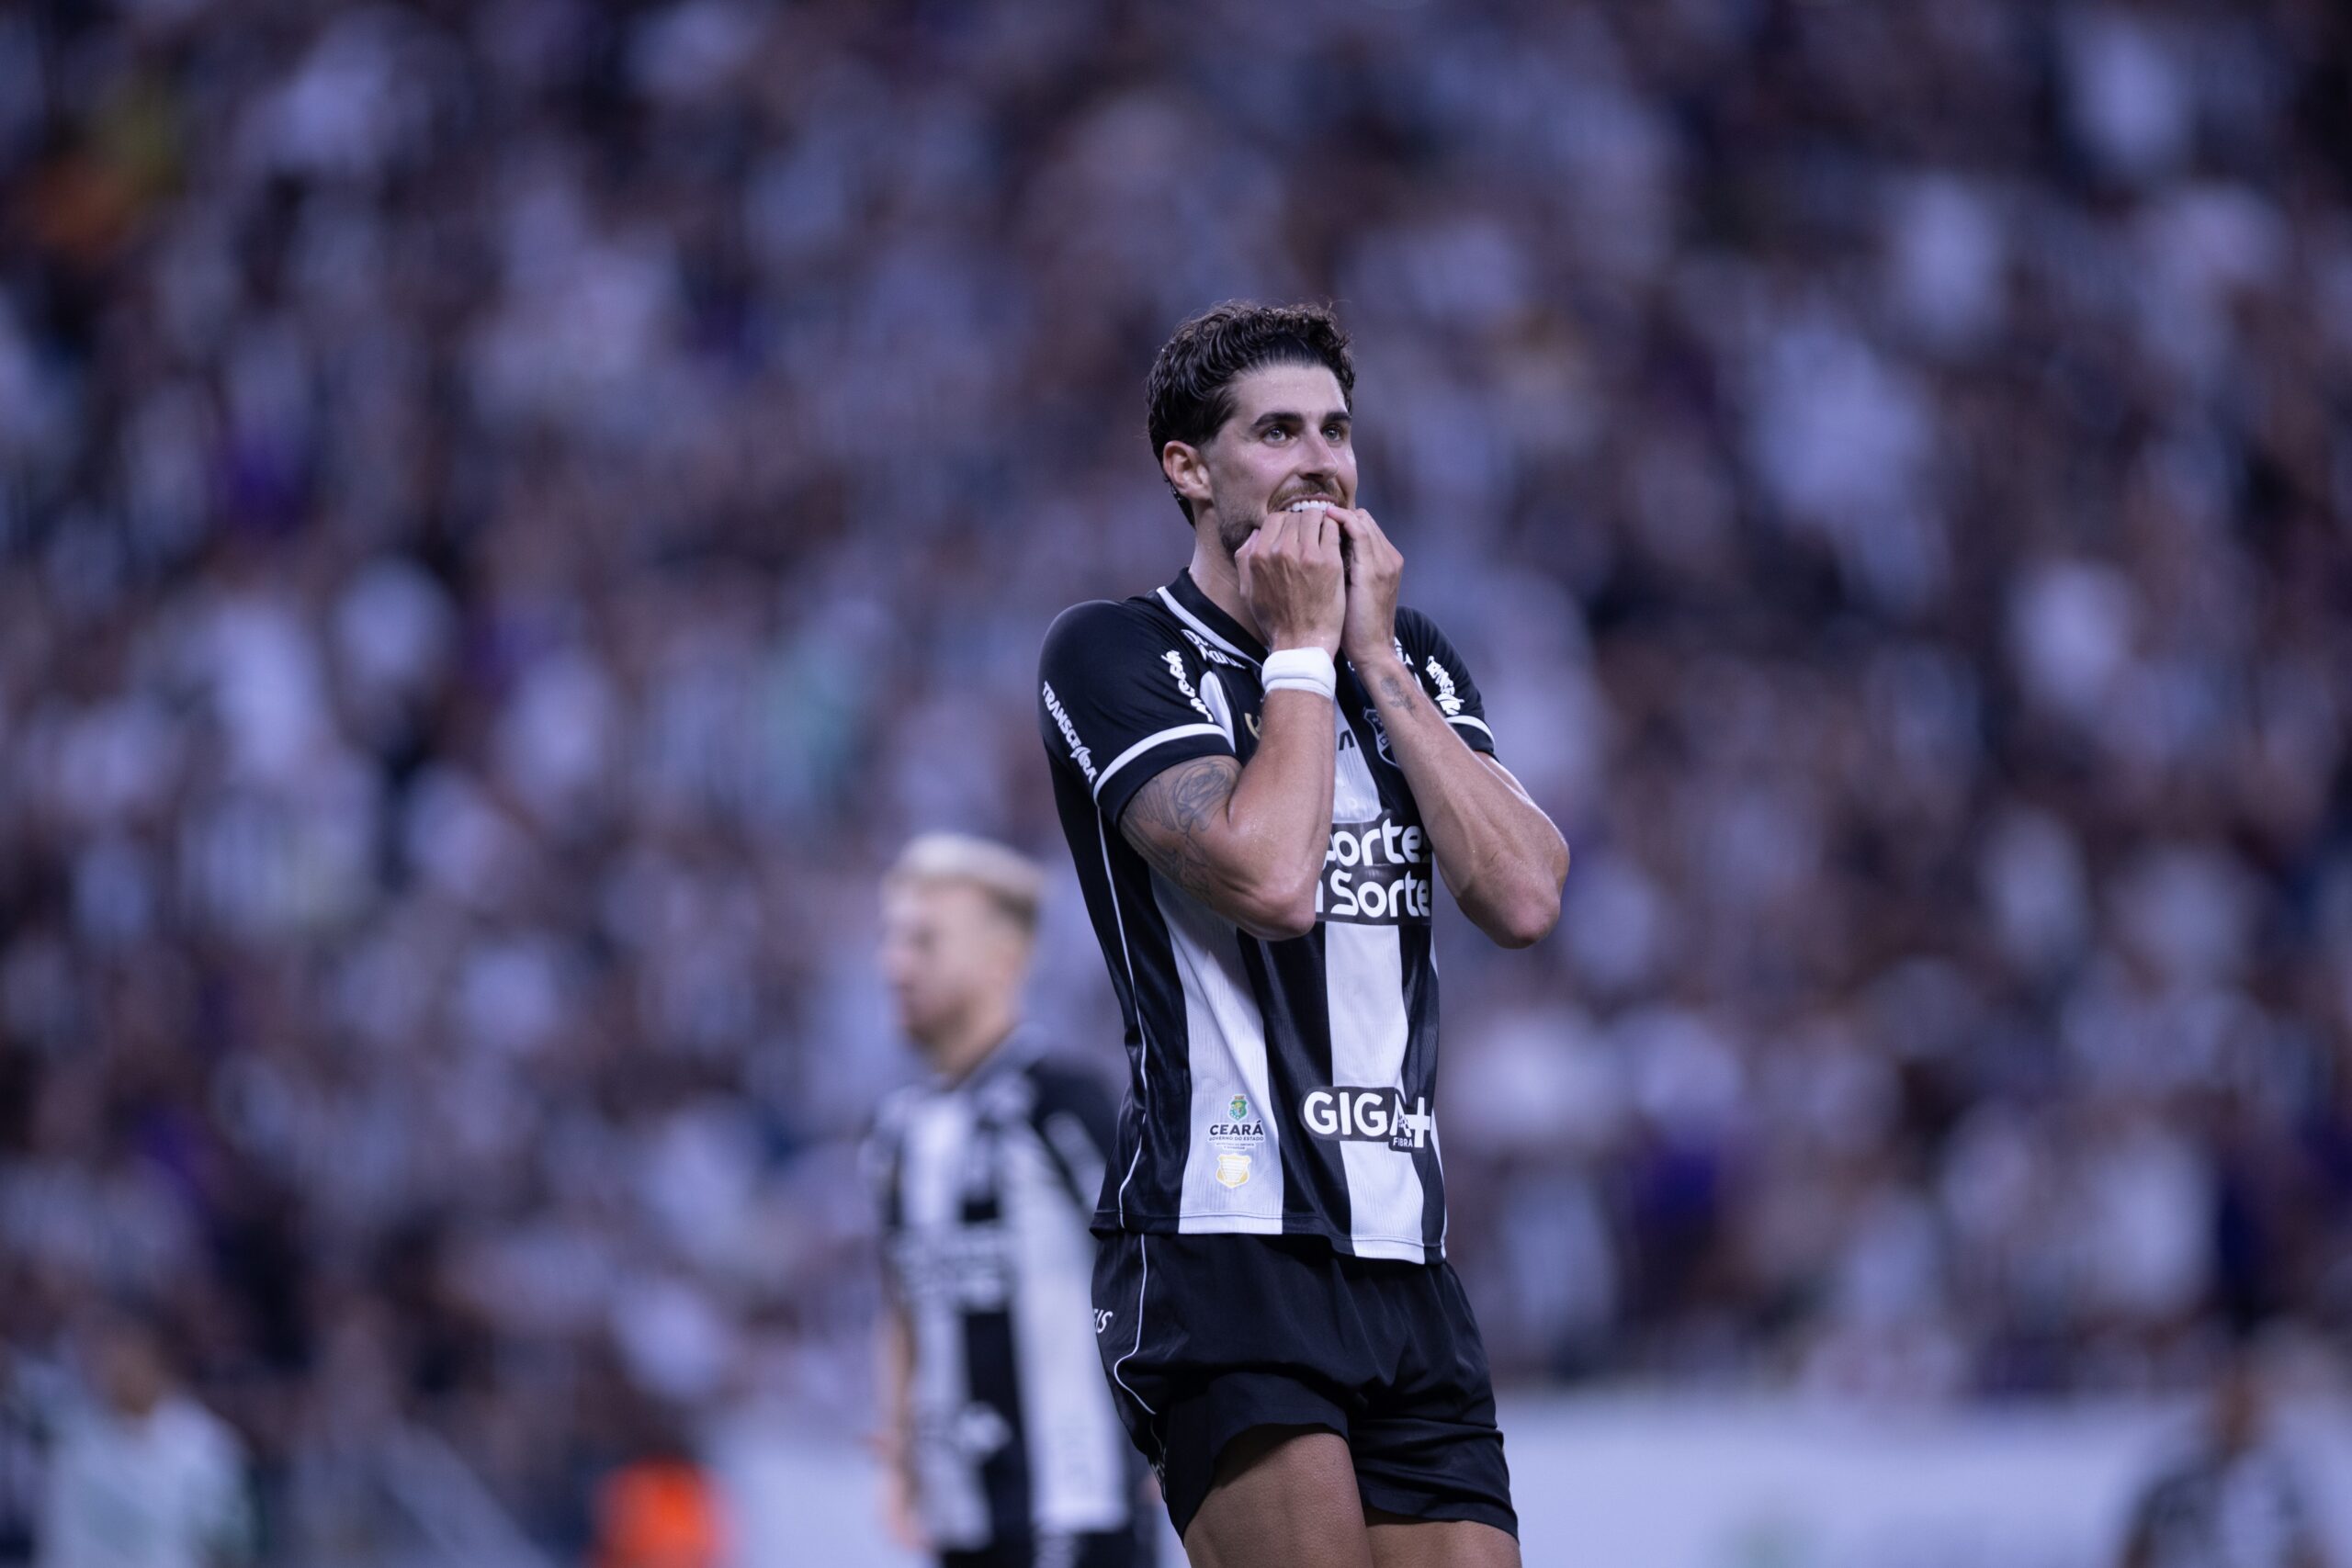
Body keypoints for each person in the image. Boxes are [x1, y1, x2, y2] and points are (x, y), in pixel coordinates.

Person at [1034, 301, 1569, 1568]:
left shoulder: (1406, 658)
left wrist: (1373, 662)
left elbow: (1524, 897)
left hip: (1404, 1252)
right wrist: (1303, 654)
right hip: (1220, 1243)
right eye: (1276, 433)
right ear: (1188, 466)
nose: (1320, 461)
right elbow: (1271, 880)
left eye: (1336, 431)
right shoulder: (1114, 651)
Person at [865, 834, 1155, 1568]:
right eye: (891, 938)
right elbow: (903, 1304)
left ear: (1004, 957)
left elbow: (1153, 1262)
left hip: (1077, 1508)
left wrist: (1175, 1425)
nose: (895, 964)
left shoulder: (1059, 1103)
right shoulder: (897, 1133)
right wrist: (897, 1456)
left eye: (924, 940)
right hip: (960, 1517)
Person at [36, 1312, 252, 1568]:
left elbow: (229, 1546)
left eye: (131, 1357)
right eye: (109, 1359)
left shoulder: (206, 1445)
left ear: (158, 1363)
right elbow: (60, 1542)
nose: (119, 1370)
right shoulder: (74, 1443)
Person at [2116, 1355, 2334, 1568]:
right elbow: (2138, 1546)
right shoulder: (2175, 1475)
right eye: (2229, 1404)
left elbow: (2309, 1550)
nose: (2237, 1417)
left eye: (2247, 1407)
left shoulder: (2284, 1480)